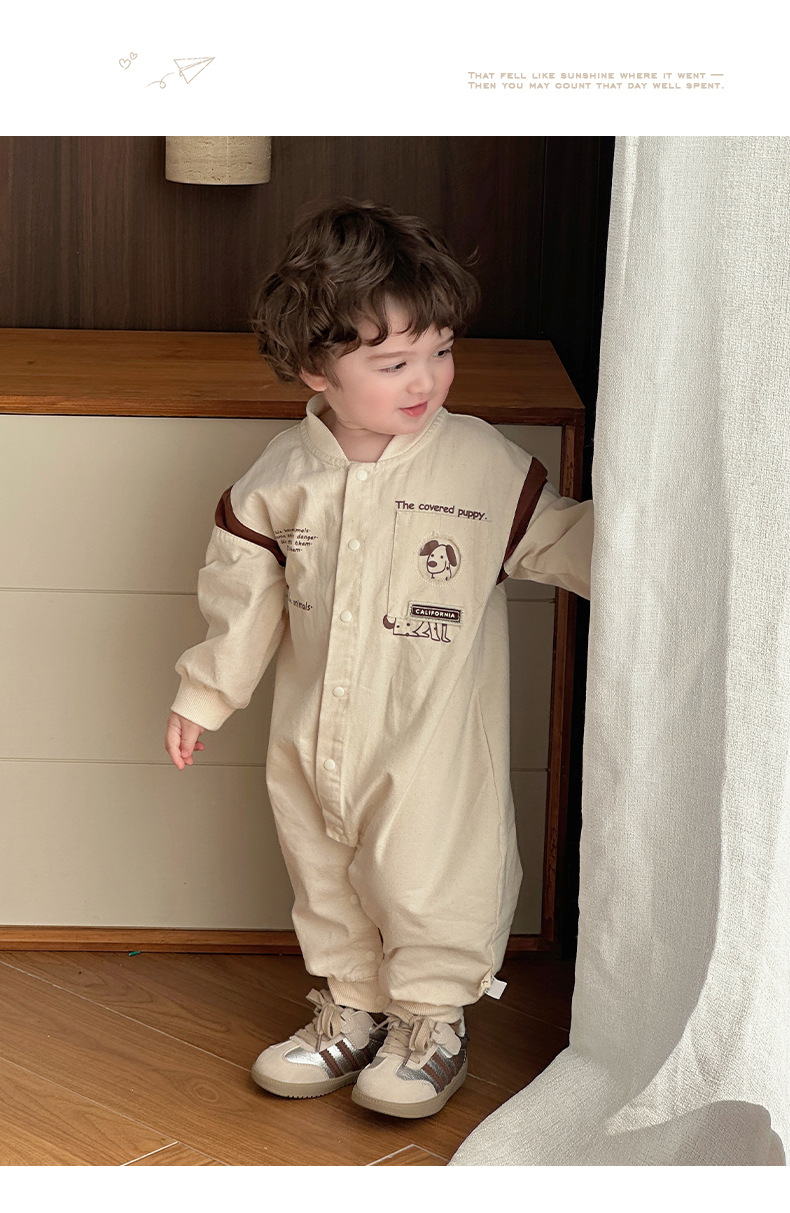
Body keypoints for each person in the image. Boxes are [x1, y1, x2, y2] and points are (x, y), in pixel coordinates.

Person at [164, 198, 594, 1120]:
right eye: (394, 362)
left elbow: (563, 540)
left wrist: (666, 546)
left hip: (432, 742)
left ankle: (431, 1021)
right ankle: (351, 1008)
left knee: (430, 872)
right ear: (316, 367)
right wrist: (203, 697)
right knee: (324, 871)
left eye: (441, 350)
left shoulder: (479, 465)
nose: (425, 379)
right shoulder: (281, 478)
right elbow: (241, 599)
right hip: (312, 732)